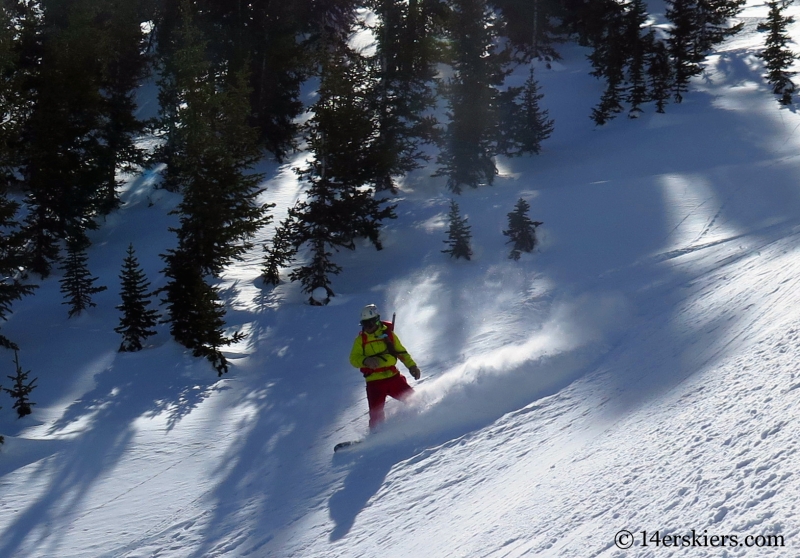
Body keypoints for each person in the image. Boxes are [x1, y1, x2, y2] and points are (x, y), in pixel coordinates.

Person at [349, 304, 421, 429]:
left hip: (393, 378)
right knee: (376, 414)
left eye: (370, 323)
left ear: (377, 321)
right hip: (374, 382)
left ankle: (422, 418)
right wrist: (366, 360)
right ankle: (376, 435)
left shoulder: (389, 335)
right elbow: (353, 359)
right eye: (365, 324)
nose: (368, 327)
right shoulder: (361, 340)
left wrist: (412, 367)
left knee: (413, 399)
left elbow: (401, 352)